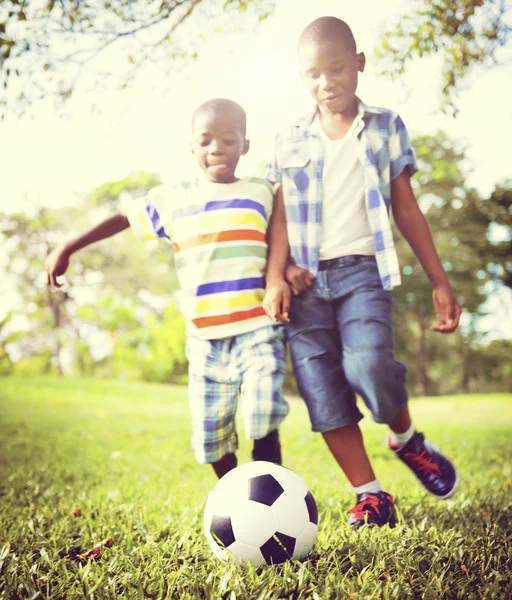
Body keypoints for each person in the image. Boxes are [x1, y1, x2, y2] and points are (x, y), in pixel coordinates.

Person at [262, 17, 462, 527]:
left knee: (369, 365)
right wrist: (276, 276)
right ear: (300, 78)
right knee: (321, 391)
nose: (326, 82)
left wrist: (439, 280)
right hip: (304, 285)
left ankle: (405, 437)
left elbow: (407, 208)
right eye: (313, 74)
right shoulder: (287, 138)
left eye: (335, 68)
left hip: (363, 273)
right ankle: (370, 495)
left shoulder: (386, 126)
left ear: (358, 64)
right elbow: (279, 215)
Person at [46, 98, 291, 479]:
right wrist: (68, 247)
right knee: (212, 438)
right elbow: (123, 218)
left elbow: (282, 237)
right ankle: (234, 495)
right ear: (192, 147)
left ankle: (269, 479)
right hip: (204, 338)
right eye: (206, 140)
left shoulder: (263, 191)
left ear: (245, 144)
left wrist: (288, 273)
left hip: (257, 327)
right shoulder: (173, 198)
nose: (217, 148)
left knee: (262, 412)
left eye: (228, 139)